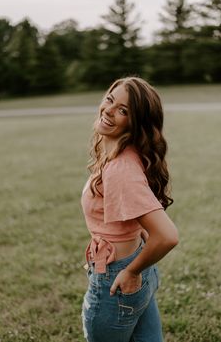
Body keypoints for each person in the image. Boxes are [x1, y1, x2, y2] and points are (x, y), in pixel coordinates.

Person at [81, 76, 179, 342]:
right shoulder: (126, 153)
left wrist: (131, 271)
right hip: (132, 265)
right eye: (110, 100)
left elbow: (167, 235)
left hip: (117, 281)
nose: (109, 110)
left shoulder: (121, 169)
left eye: (123, 111)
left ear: (135, 124)